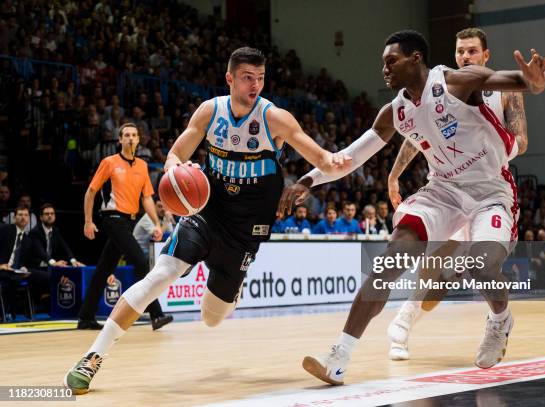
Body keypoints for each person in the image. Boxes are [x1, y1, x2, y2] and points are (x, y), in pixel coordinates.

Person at [64, 47, 350, 394]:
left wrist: (337, 161)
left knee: (212, 318)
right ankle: (92, 357)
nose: (255, 85)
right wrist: (176, 171)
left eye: (260, 78)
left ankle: (233, 288)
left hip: (245, 233)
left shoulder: (275, 119)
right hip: (207, 216)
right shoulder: (210, 111)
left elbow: (321, 157)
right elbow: (174, 155)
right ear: (230, 78)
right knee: (160, 276)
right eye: (247, 77)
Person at [278, 29, 545, 384]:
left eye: (391, 61)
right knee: (390, 262)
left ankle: (500, 320)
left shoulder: (456, 82)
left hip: (490, 192)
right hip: (443, 192)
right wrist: (307, 180)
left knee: (481, 267)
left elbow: (513, 81)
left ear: (415, 59)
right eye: (383, 63)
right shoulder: (395, 112)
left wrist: (533, 82)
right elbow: (346, 159)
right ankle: (339, 356)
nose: (384, 69)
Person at [386, 27, 530, 361]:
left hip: (490, 185)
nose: (465, 56)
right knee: (434, 263)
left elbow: (521, 140)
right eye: (460, 51)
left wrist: (483, 152)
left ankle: (497, 322)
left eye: (472, 51)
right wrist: (395, 173)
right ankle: (403, 324)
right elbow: (415, 134)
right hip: (449, 186)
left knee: (474, 269)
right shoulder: (443, 89)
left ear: (485, 56)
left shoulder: (503, 90)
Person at [76, 123, 172, 331]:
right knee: (140, 262)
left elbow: (147, 198)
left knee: (104, 269)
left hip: (129, 221)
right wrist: (88, 221)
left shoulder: (142, 166)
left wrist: (156, 223)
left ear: (139, 140)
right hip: (112, 218)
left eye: (134, 135)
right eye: (126, 135)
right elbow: (91, 192)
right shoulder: (109, 162)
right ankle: (156, 314)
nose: (130, 138)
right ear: (120, 140)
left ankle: (85, 317)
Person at [28, 203, 85, 268]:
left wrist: (73, 261)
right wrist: (53, 263)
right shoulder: (35, 232)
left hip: (49, 265)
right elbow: (41, 252)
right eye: (47, 214)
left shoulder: (55, 231)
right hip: (36, 267)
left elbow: (65, 247)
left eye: (52, 213)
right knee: (54, 276)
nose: (50, 216)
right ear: (41, 217)